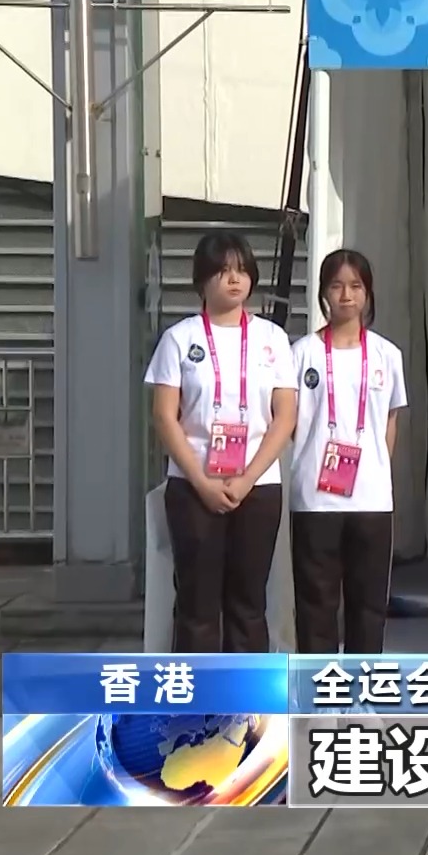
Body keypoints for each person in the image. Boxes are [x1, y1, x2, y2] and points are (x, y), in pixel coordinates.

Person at [144, 232, 298, 653]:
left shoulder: (272, 338)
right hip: (193, 485)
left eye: (242, 270)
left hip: (258, 487)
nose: (234, 279)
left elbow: (285, 416)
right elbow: (164, 415)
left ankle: (245, 693)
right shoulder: (180, 338)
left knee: (248, 603)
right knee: (197, 602)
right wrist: (202, 482)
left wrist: (246, 479)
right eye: (223, 271)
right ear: (202, 278)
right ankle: (194, 693)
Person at [290, 250, 409, 654]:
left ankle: (365, 684)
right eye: (337, 286)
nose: (346, 295)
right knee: (315, 606)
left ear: (368, 293)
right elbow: (290, 420)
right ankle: (318, 686)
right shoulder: (302, 353)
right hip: (314, 497)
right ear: (323, 293)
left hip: (371, 499)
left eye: (356, 286)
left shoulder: (387, 355)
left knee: (368, 606)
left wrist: (376, 470)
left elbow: (390, 421)